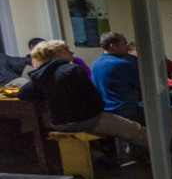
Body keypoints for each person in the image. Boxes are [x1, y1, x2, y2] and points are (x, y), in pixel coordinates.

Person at [18, 40, 147, 148]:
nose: (72, 52)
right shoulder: (73, 69)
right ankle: (160, 160)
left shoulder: (41, 75)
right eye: (67, 49)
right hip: (85, 119)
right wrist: (99, 111)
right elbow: (94, 97)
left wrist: (48, 94)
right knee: (136, 131)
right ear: (57, 53)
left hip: (57, 122)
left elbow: (23, 93)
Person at [91, 31, 144, 123]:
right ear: (113, 46)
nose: (127, 47)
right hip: (126, 111)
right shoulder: (121, 64)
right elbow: (142, 85)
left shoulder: (95, 63)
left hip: (106, 110)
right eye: (124, 44)